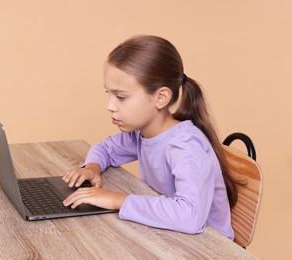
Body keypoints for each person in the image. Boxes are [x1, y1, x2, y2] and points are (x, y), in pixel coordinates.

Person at [62, 35, 237, 239]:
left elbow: (190, 216)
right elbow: (106, 149)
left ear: (161, 97)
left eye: (121, 97)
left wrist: (118, 200)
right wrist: (93, 167)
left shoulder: (185, 145)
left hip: (209, 248)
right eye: (108, 93)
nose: (109, 106)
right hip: (172, 238)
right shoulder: (143, 132)